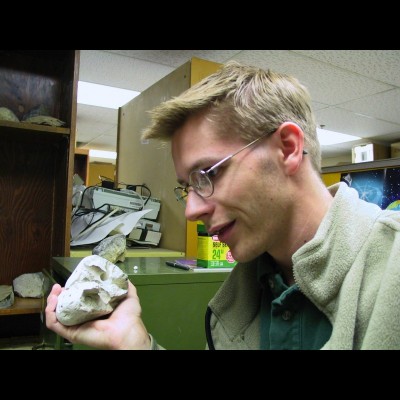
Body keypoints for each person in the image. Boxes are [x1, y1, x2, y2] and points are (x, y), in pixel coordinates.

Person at [46, 61, 400, 350]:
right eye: (187, 187)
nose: (190, 211)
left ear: (288, 148)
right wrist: (135, 345)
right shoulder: (234, 303)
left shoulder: (392, 271)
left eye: (206, 174)